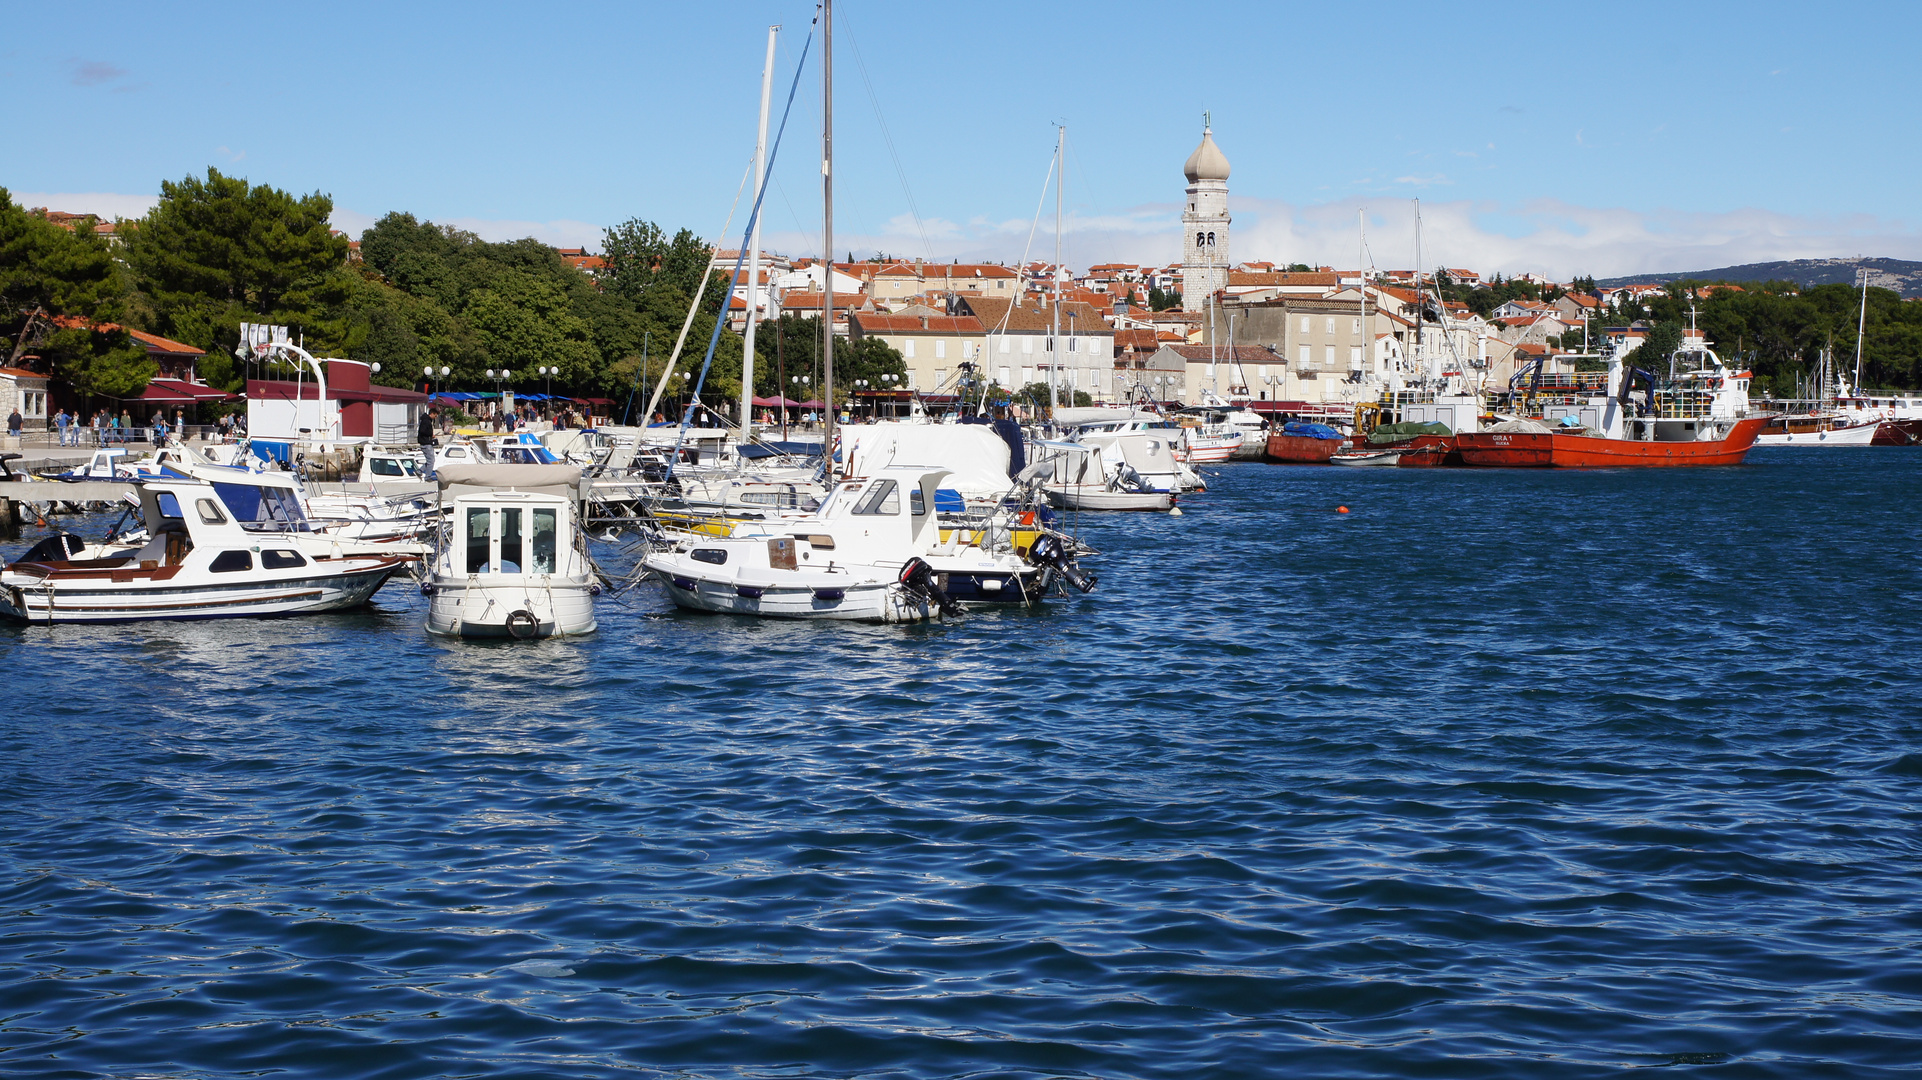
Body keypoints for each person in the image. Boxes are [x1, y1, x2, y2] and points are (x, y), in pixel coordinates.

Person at [418, 407, 436, 475]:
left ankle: (420, 471)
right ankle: (427, 476)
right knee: (431, 461)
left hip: (425, 442)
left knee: (430, 461)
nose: (435, 417)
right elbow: (422, 431)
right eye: (435, 415)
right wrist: (430, 434)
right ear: (432, 414)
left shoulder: (426, 420)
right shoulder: (426, 421)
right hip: (426, 443)